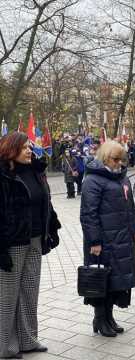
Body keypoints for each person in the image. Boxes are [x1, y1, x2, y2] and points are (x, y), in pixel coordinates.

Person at [0, 132, 61, 359]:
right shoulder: (4, 175)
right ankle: (5, 347)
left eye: (30, 147)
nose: (29, 151)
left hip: (35, 239)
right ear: (11, 149)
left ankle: (27, 340)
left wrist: (52, 228)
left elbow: (47, 202)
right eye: (24, 147)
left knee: (29, 291)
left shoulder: (36, 172)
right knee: (8, 296)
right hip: (12, 243)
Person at [80, 140, 135, 337]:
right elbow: (89, 214)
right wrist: (94, 241)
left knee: (115, 280)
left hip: (122, 238)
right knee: (102, 279)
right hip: (103, 241)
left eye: (122, 159)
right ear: (105, 157)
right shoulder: (92, 180)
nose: (119, 163)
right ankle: (100, 318)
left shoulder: (121, 178)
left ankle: (109, 317)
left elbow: (131, 206)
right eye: (115, 159)